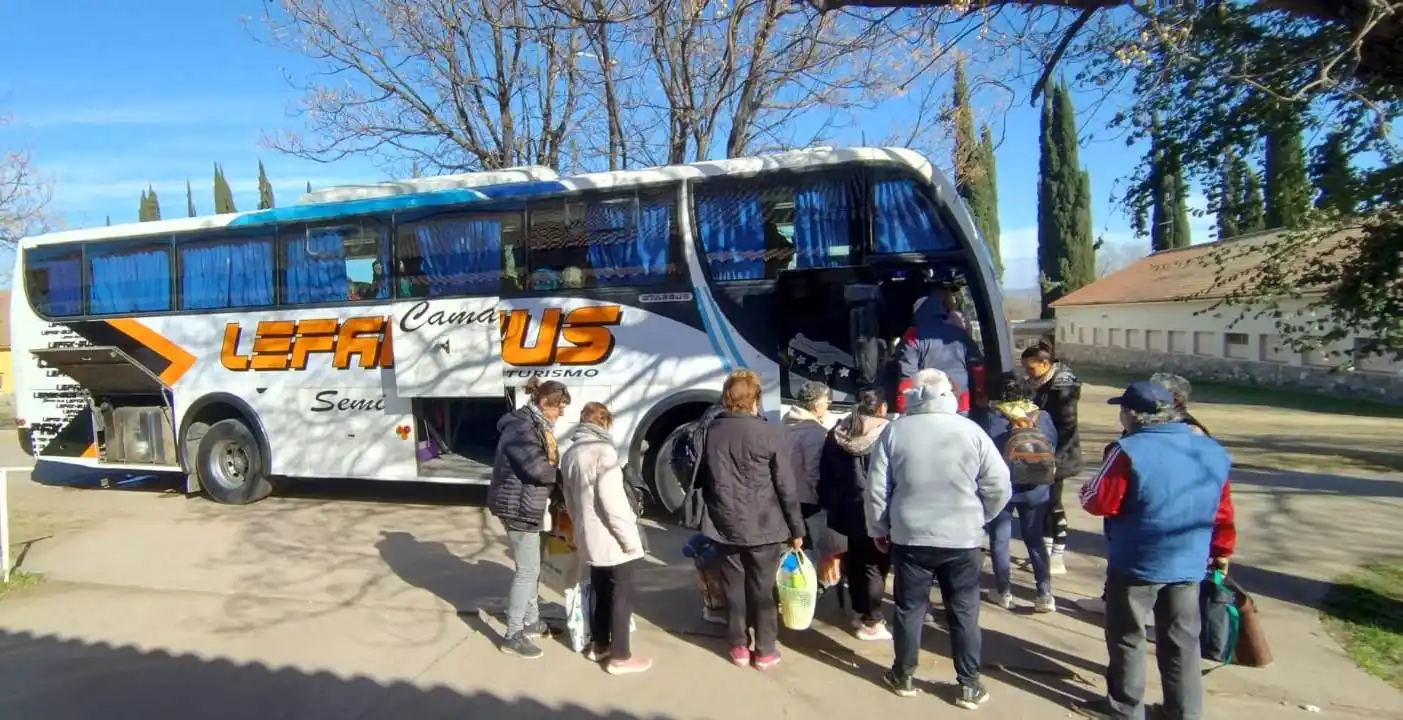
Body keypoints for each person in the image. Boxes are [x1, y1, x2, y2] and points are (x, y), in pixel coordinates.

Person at [1077, 381, 1235, 720]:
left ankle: (1124, 708)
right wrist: (1222, 550)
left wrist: (1084, 490)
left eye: (1122, 409)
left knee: (1127, 636)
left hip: (1137, 561)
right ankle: (1184, 712)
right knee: (1182, 641)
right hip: (1189, 561)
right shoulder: (1211, 449)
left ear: (1132, 415)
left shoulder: (1128, 450)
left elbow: (1099, 501)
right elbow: (1222, 508)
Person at [867, 368, 1012, 708]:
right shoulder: (971, 431)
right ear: (949, 394)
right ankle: (969, 684)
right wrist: (980, 517)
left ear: (913, 395)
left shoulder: (895, 431)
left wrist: (879, 528)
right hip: (962, 538)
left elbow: (876, 489)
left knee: (909, 608)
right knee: (963, 611)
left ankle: (902, 674)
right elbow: (1000, 485)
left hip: (910, 536)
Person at [1075, 371, 1213, 615]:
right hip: (1176, 542)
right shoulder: (1144, 432)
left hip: (1158, 533)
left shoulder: (1190, 432)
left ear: (1175, 399)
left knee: (1132, 627)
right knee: (1179, 629)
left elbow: (1101, 501)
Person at [698, 369, 805, 671]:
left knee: (733, 586)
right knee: (763, 587)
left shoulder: (711, 431)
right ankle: (766, 649)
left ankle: (738, 647)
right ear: (755, 398)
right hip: (765, 524)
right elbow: (786, 486)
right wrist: (797, 529)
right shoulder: (768, 432)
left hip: (724, 524)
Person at [559, 402, 652, 675]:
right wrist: (630, 541)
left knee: (600, 588)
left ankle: (599, 645)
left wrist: (579, 531)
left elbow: (569, 501)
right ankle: (621, 656)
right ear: (604, 423)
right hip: (612, 537)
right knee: (622, 593)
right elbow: (613, 504)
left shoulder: (570, 454)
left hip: (589, 536)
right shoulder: (604, 452)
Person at [486, 378, 571, 659]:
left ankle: (531, 622)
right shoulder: (520, 427)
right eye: (559, 408)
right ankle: (512, 635)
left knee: (532, 568)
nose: (562, 413)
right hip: (516, 507)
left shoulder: (536, 424)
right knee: (527, 570)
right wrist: (566, 476)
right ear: (545, 404)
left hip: (528, 504)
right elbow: (536, 468)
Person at [975, 376, 1059, 613]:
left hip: (1004, 488)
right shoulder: (1043, 417)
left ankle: (1003, 592)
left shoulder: (992, 418)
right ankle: (1044, 593)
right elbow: (1053, 445)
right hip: (1037, 488)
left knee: (1000, 539)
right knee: (1035, 539)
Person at [817, 386, 892, 641]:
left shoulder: (838, 430)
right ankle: (871, 620)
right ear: (881, 408)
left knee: (856, 560)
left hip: (843, 509)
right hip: (873, 509)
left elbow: (824, 474)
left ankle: (860, 611)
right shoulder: (886, 432)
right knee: (875, 564)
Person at [1021, 342, 1082, 576]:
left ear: (1046, 364)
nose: (1028, 373)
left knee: (1054, 502)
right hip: (1041, 449)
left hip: (1059, 454)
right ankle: (1045, 552)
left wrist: (1056, 459)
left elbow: (1067, 427)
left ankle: (1057, 555)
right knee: (1042, 504)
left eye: (1031, 368)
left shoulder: (1063, 386)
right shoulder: (1038, 382)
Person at [895, 282, 982, 415]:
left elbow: (907, 374)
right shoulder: (960, 333)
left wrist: (903, 409)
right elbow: (977, 367)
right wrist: (980, 394)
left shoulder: (913, 335)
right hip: (960, 401)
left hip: (928, 403)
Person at [783, 380, 832, 559]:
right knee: (809, 546)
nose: (828, 405)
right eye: (827, 401)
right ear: (817, 404)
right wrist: (824, 498)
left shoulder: (785, 424)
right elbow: (814, 471)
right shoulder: (814, 432)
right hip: (807, 499)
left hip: (785, 495)